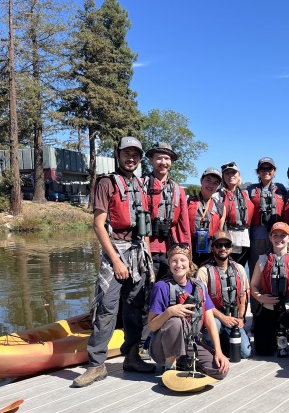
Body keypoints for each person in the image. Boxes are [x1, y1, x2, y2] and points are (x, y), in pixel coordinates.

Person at [73, 136, 156, 388]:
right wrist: (116, 261)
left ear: (140, 159)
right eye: (126, 153)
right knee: (106, 308)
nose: (131, 158)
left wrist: (148, 256)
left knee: (135, 307)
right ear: (118, 155)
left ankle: (132, 357)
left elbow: (145, 227)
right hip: (115, 251)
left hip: (138, 252)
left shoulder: (141, 185)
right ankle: (96, 365)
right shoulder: (106, 183)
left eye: (135, 154)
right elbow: (98, 225)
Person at [148, 244, 229, 381]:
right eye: (174, 261)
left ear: (189, 262)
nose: (178, 264)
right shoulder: (161, 287)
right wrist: (169, 312)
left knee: (220, 371)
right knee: (175, 321)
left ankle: (183, 363)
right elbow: (152, 325)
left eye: (183, 260)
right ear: (169, 263)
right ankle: (169, 368)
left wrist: (219, 352)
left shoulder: (199, 286)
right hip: (161, 349)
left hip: (189, 343)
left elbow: (210, 321)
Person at [250, 222, 289, 356]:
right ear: (270, 238)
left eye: (283, 235)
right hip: (269, 307)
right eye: (275, 235)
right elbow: (253, 286)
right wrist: (260, 297)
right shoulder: (262, 260)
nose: (279, 239)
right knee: (263, 350)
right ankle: (276, 336)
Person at [195, 231, 252, 359]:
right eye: (218, 245)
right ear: (212, 248)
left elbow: (243, 295)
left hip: (233, 318)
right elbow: (202, 302)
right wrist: (222, 318)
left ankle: (225, 344)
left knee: (245, 353)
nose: (223, 248)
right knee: (215, 324)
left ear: (231, 248)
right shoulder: (203, 271)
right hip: (213, 318)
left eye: (226, 245)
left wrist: (240, 318)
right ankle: (210, 347)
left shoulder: (239, 269)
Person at [143, 142, 190, 278]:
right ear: (151, 159)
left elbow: (184, 225)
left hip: (171, 251)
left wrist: (187, 252)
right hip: (145, 250)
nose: (163, 162)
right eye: (159, 158)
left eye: (167, 158)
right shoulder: (140, 185)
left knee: (168, 288)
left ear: (171, 162)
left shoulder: (178, 190)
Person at [247, 157, 287, 310]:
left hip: (277, 238)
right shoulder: (250, 190)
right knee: (256, 275)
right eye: (262, 169)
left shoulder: (281, 189)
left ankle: (276, 311)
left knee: (276, 272)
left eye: (269, 168)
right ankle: (256, 312)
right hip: (256, 239)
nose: (266, 171)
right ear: (258, 172)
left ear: (274, 171)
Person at [217, 162, 254, 266]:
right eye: (227, 173)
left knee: (239, 269)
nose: (231, 175)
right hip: (226, 240)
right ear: (223, 177)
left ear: (239, 175)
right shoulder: (217, 195)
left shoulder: (247, 193)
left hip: (244, 240)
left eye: (233, 172)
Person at [187, 168, 226, 266]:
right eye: (208, 180)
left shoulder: (220, 207)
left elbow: (220, 233)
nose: (211, 185)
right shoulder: (187, 201)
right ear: (201, 181)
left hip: (209, 251)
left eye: (215, 183)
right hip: (189, 248)